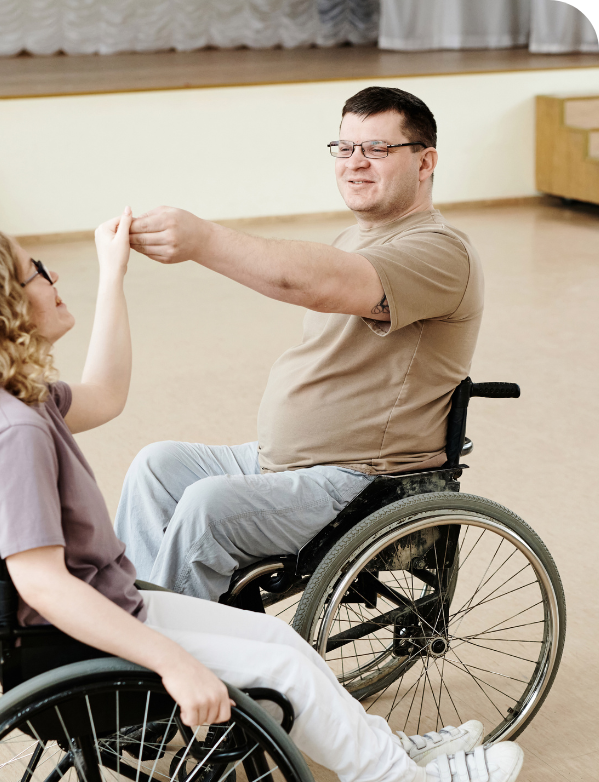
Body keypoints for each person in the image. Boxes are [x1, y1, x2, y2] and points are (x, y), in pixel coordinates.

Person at [0, 210, 521, 782]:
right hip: (87, 643)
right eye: (36, 272)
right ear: (1, 307)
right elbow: (44, 585)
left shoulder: (5, 402)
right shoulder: (12, 434)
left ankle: (388, 753)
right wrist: (174, 663)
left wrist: (114, 274)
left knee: (281, 645)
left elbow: (106, 392)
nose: (54, 274)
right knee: (287, 671)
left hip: (105, 613)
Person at [115, 86, 483, 605]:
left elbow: (309, 283)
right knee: (156, 466)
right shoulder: (354, 238)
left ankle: (172, 661)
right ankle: (135, 624)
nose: (355, 163)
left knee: (206, 505)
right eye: (345, 148)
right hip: (286, 463)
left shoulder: (441, 253)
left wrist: (201, 241)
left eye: (377, 149)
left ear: (426, 162)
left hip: (362, 480)